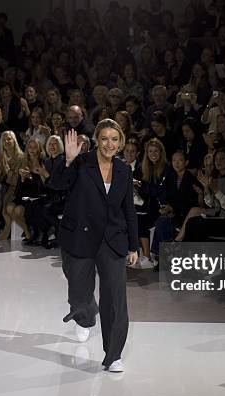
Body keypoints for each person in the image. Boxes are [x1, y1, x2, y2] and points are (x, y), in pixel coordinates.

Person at [47, 121, 139, 373]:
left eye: (115, 139)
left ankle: (113, 355)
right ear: (97, 139)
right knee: (78, 292)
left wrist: (133, 245)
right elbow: (57, 185)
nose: (110, 144)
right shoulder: (81, 161)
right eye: (105, 138)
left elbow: (128, 209)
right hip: (79, 236)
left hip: (112, 239)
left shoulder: (123, 169)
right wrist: (66, 160)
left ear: (120, 142)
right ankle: (85, 316)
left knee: (115, 299)